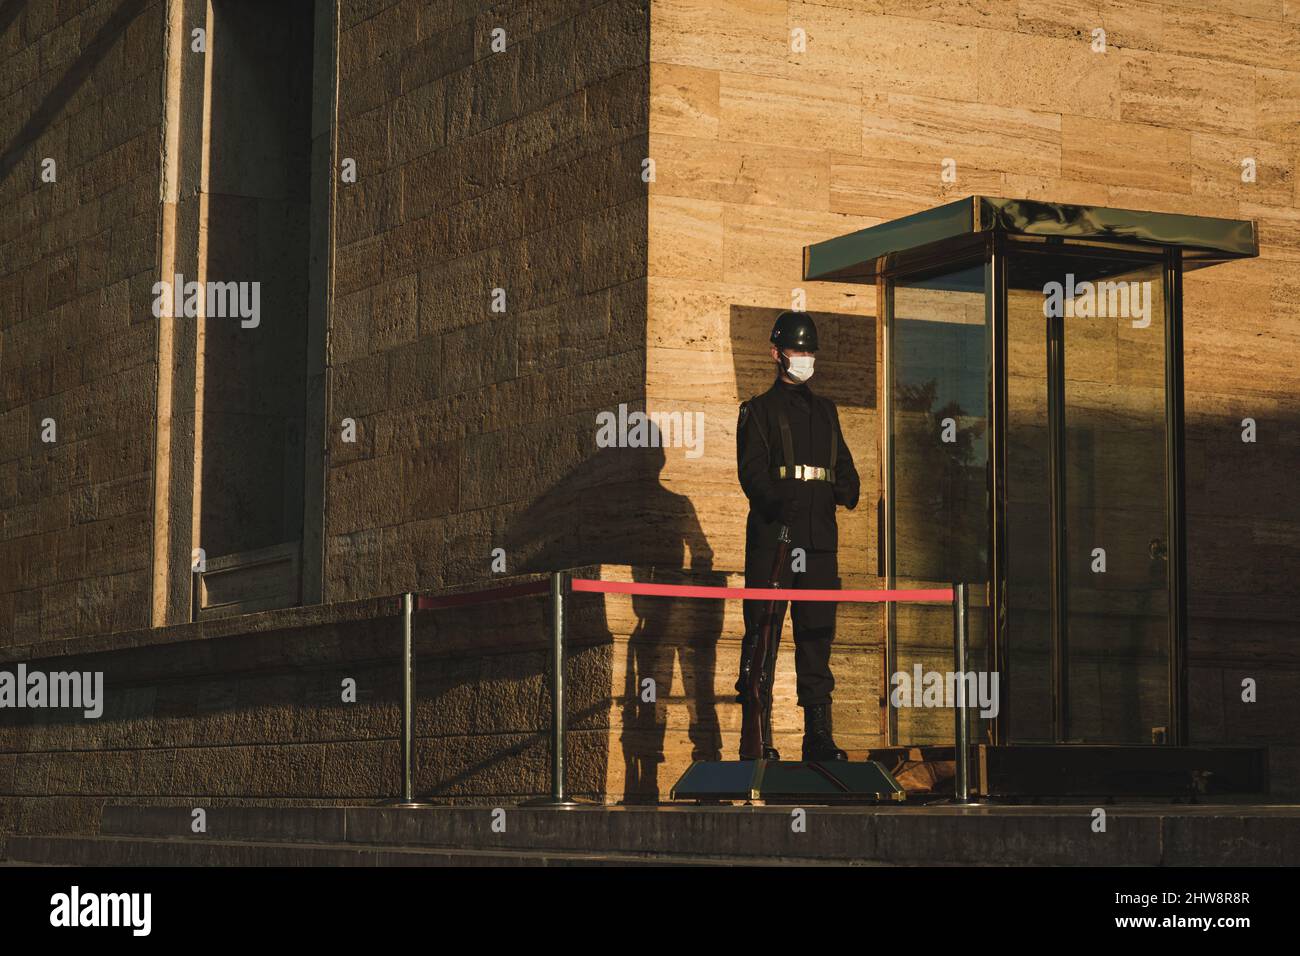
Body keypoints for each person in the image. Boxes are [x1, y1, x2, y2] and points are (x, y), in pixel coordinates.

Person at [735, 310, 860, 761]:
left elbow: (842, 464)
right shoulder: (758, 411)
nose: (804, 358)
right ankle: (759, 735)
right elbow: (751, 475)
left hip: (819, 539)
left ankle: (818, 736)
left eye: (809, 351)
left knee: (816, 637)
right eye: (796, 351)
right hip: (776, 540)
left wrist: (848, 487)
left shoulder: (826, 411)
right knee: (763, 635)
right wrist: (778, 502)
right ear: (776, 354)